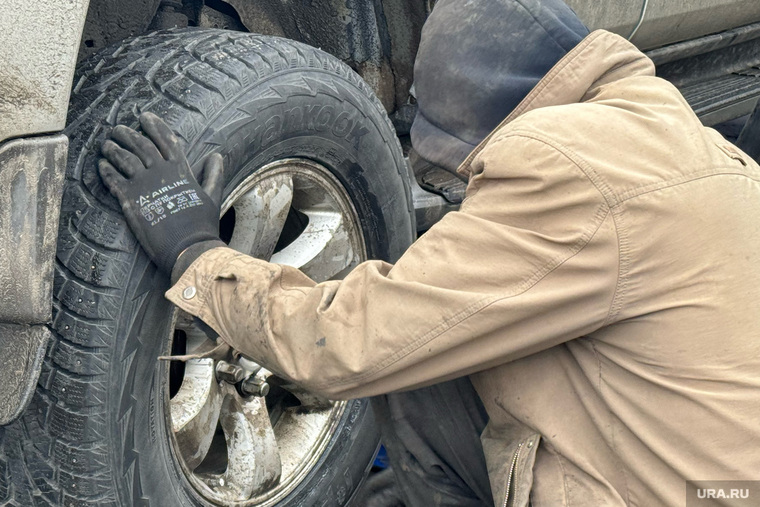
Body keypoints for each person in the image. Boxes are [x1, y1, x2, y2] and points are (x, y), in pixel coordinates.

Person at [97, 0, 760, 505]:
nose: (460, 189)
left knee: (413, 360)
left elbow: (351, 340)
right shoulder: (685, 141)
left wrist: (195, 251)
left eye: (454, 173)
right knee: (438, 326)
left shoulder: (562, 165)